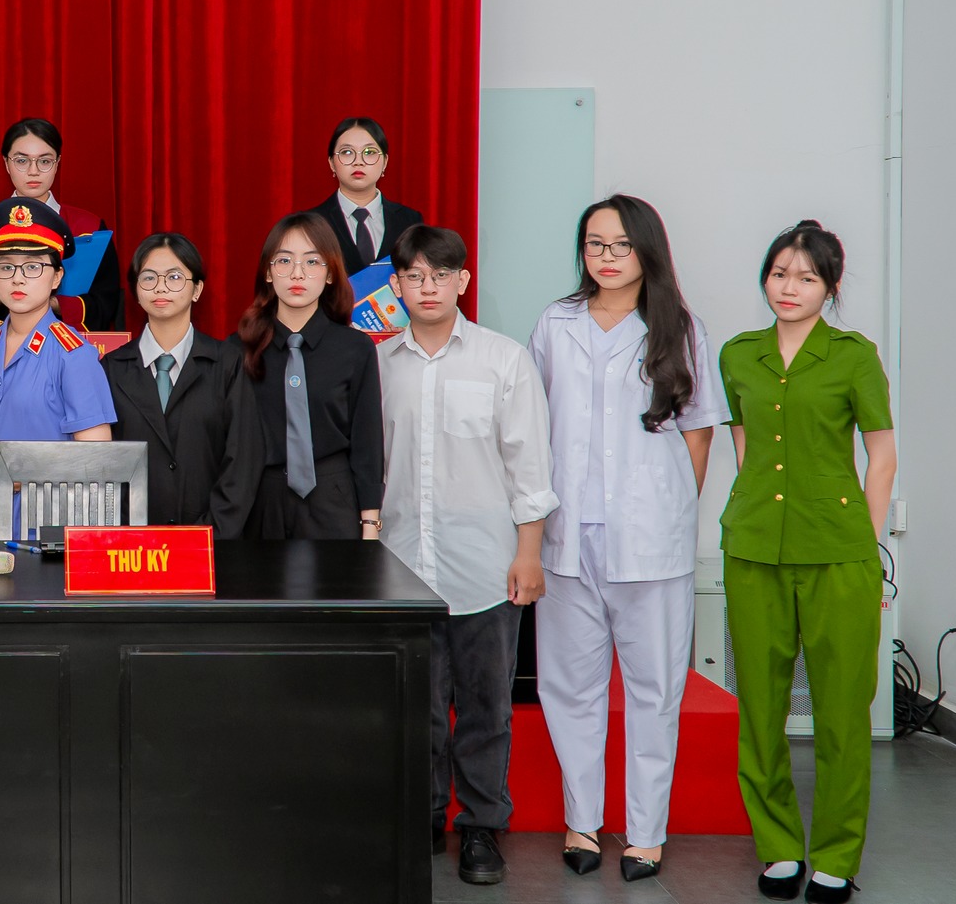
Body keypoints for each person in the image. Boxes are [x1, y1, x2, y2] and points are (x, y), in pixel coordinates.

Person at [527, 196, 729, 883]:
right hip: (566, 533)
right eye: (594, 244)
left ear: (647, 249)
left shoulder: (681, 328)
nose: (607, 257)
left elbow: (698, 433)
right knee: (569, 686)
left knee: (654, 689)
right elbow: (533, 421)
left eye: (620, 244)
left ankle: (645, 833)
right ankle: (582, 822)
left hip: (650, 540)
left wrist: (667, 509)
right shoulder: (555, 323)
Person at [374, 224, 557, 888]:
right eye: (414, 276)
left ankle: (481, 825)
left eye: (441, 274)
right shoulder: (378, 364)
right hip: (401, 567)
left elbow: (529, 466)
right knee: (414, 707)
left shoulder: (503, 360)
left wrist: (529, 553)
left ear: (463, 281)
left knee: (485, 709)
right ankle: (423, 816)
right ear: (396, 285)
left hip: (486, 565)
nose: (428, 287)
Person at [718, 221, 894, 904]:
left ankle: (837, 854)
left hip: (838, 552)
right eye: (779, 274)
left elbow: (882, 455)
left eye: (806, 277)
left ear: (831, 286)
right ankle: (779, 847)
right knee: (760, 709)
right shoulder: (740, 355)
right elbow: (745, 446)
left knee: (842, 710)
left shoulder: (853, 356)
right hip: (754, 548)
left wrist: (866, 542)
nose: (788, 288)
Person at [0, 199, 117, 540]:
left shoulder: (74, 355)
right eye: (6, 266)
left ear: (57, 277)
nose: (17, 278)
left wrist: (7, 480)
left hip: (40, 532)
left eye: (33, 267)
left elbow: (98, 460)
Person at [228, 211, 382, 539]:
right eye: (284, 261)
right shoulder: (236, 350)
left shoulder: (356, 348)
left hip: (333, 499)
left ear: (330, 274)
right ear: (268, 272)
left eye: (312, 262)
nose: (297, 273)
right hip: (259, 502)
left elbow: (367, 443)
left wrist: (370, 525)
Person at [101, 233, 261, 534]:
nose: (160, 287)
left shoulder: (228, 363)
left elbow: (243, 462)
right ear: (136, 291)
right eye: (149, 277)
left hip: (212, 541)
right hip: (132, 545)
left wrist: (207, 535)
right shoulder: (111, 369)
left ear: (197, 289)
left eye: (174, 277)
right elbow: (101, 465)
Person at [0, 117, 124, 335]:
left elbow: (106, 301)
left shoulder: (89, 227)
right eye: (22, 160)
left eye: (45, 161)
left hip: (65, 343)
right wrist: (7, 293)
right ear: (6, 163)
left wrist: (54, 303)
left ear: (57, 163)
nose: (33, 171)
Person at [306, 117, 424, 278]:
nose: (358, 162)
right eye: (347, 152)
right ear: (332, 163)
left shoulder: (409, 220)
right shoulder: (310, 224)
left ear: (385, 162)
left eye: (369, 152)